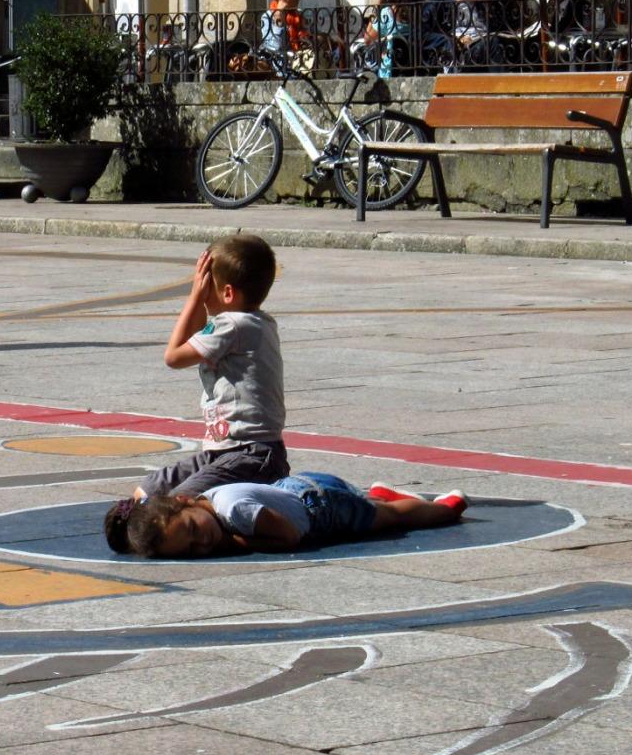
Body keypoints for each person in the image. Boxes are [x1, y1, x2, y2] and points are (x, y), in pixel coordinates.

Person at [103, 234, 288, 553]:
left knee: (179, 502)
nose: (203, 293)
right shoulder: (249, 322)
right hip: (225, 451)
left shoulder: (233, 326)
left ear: (227, 292)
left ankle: (206, 538)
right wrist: (204, 297)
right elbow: (195, 338)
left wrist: (192, 299)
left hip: (252, 455)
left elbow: (173, 356)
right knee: (149, 490)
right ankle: (144, 527)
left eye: (207, 285)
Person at [109, 472, 468, 558]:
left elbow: (289, 536)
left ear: (186, 501)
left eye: (191, 528)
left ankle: (444, 508)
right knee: (371, 506)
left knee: (391, 518)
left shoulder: (234, 513)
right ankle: (376, 495)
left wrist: (240, 543)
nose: (201, 541)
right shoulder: (210, 507)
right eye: (189, 549)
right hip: (297, 491)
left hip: (320, 507)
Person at [363, 0, 424, 78]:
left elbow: (367, 39)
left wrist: (377, 8)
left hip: (391, 71)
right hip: (418, 68)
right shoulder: (422, 9)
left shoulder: (389, 14)